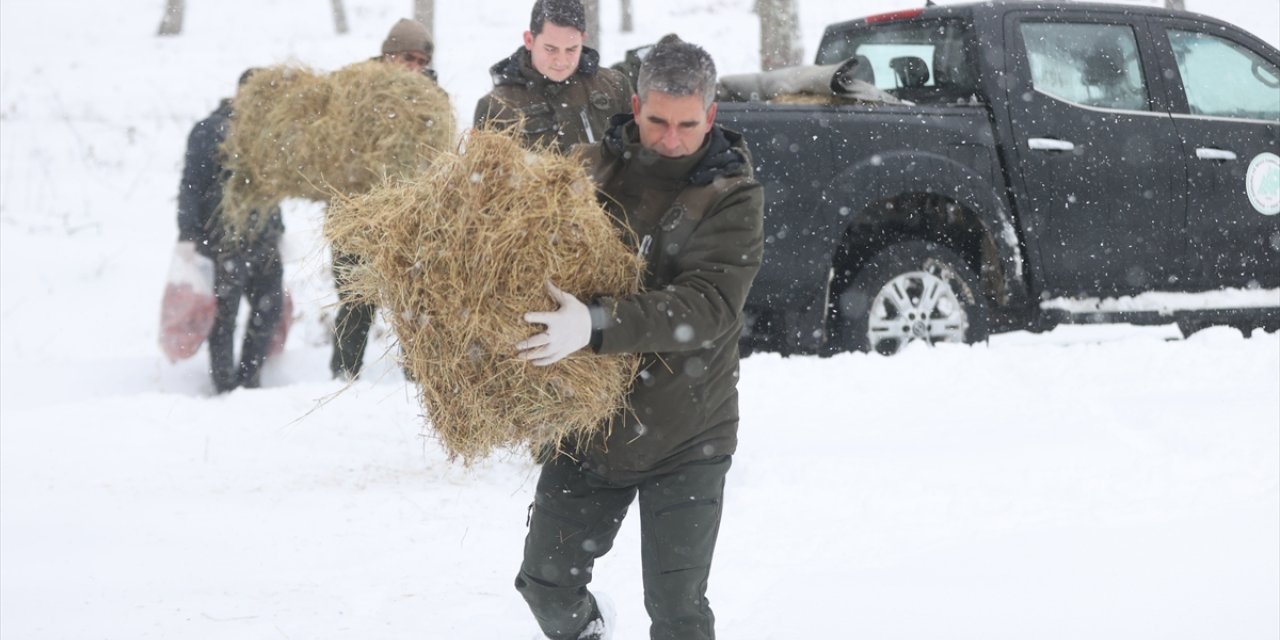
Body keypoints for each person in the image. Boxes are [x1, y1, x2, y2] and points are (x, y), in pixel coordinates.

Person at [513, 39, 764, 640]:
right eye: (656, 122)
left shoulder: (732, 196)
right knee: (545, 586)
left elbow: (707, 307)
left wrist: (596, 325)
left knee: (678, 614)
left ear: (711, 116)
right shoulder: (591, 168)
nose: (670, 139)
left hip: (688, 433)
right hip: (592, 426)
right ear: (634, 106)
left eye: (686, 124)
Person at [330, 18, 438, 379]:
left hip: (408, 219)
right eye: (408, 57)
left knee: (413, 300)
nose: (415, 67)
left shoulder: (431, 101)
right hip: (356, 216)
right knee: (356, 301)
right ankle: (343, 378)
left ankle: (418, 377)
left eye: (422, 62)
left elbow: (438, 157)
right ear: (389, 54)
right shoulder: (357, 89)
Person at [176, 68, 284, 393]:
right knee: (224, 315)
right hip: (222, 239)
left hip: (264, 238)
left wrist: (280, 229)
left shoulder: (272, 135)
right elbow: (191, 185)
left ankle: (250, 381)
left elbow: (275, 190)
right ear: (240, 94)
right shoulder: (210, 130)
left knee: (269, 308)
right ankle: (223, 386)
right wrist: (187, 234)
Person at [473, 0, 631, 153]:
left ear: (582, 39)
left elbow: (639, 157)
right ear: (529, 40)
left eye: (571, 49)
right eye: (550, 49)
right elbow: (483, 175)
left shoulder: (615, 87)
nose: (561, 61)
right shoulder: (497, 107)